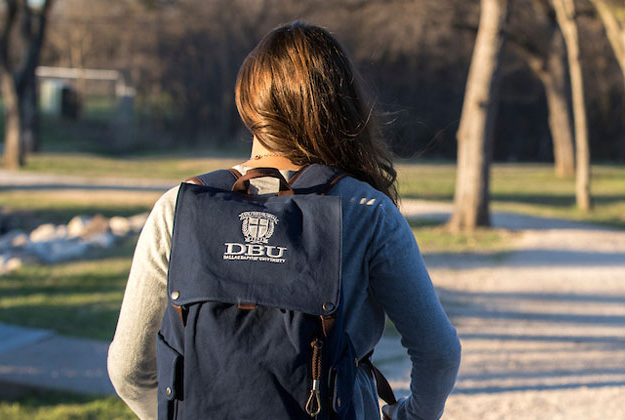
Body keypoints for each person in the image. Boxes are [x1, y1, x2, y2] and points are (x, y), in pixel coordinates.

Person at [107, 22, 461, 420]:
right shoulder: (366, 210)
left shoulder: (179, 206)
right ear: (340, 105)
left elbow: (129, 371)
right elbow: (439, 354)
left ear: (247, 104)